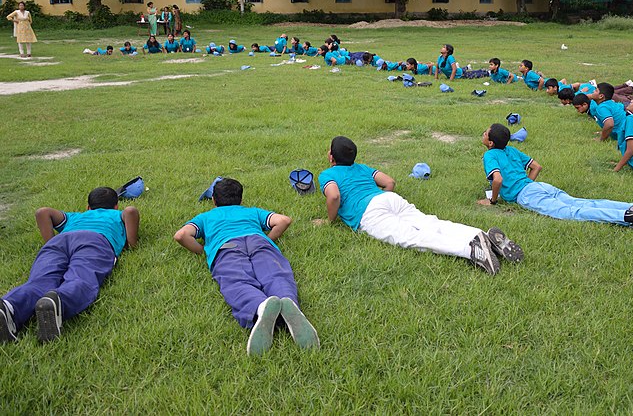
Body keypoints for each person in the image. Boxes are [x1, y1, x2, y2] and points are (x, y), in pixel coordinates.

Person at [316, 136, 523, 276]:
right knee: (430, 223)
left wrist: (329, 220)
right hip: (389, 199)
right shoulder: (361, 168)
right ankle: (480, 234)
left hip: (369, 212)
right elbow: (390, 182)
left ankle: (470, 250)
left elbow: (333, 196)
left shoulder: (328, 174)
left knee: (412, 237)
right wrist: (381, 200)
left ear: (331, 157)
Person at [173, 178, 319, 355]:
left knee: (237, 281)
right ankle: (288, 301)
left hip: (227, 247)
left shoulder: (206, 217)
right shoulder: (252, 212)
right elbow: (284, 220)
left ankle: (259, 306)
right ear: (241, 200)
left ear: (213, 201)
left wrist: (203, 250)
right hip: (259, 242)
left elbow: (181, 236)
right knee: (276, 275)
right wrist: (268, 240)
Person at [478, 124, 633, 235]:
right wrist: (528, 183)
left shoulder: (490, 155)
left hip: (528, 194)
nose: (483, 133)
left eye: (485, 133)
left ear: (491, 142)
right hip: (540, 187)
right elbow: (536, 166)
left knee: (573, 212)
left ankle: (629, 217)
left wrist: (493, 200)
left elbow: (497, 180)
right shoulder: (511, 150)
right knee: (583, 202)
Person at [0, 187, 140, 343]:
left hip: (59, 243)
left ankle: (9, 306)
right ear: (116, 206)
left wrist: (51, 243)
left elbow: (42, 212)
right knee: (81, 279)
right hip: (95, 241)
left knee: (39, 281)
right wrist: (131, 243)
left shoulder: (77, 217)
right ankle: (59, 300)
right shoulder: (116, 215)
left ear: (88, 207)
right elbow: (130, 211)